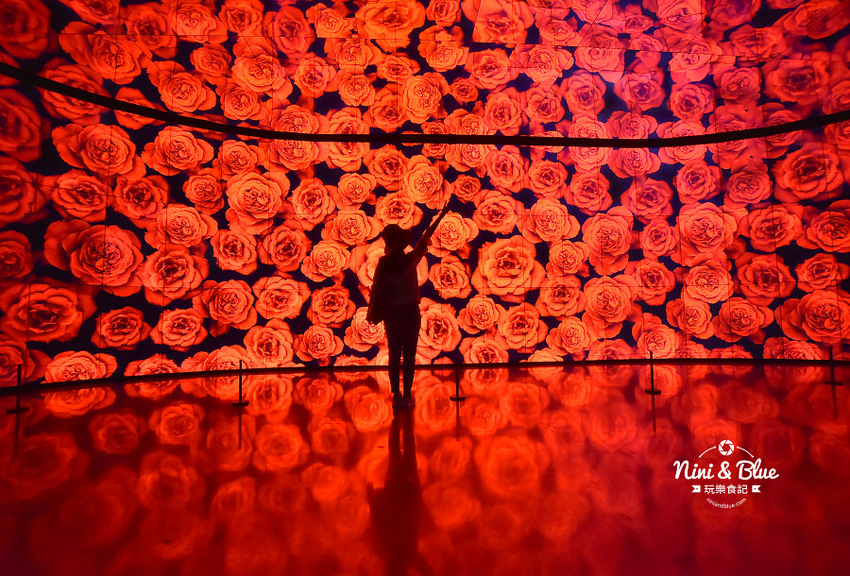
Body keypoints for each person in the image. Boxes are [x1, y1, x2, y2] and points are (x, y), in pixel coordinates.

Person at [367, 203, 450, 409]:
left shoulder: (384, 264)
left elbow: (376, 289)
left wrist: (372, 312)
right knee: (409, 355)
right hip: (410, 312)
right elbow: (424, 238)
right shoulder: (411, 260)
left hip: (392, 314)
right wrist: (441, 216)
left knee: (394, 354)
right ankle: (407, 394)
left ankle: (396, 394)